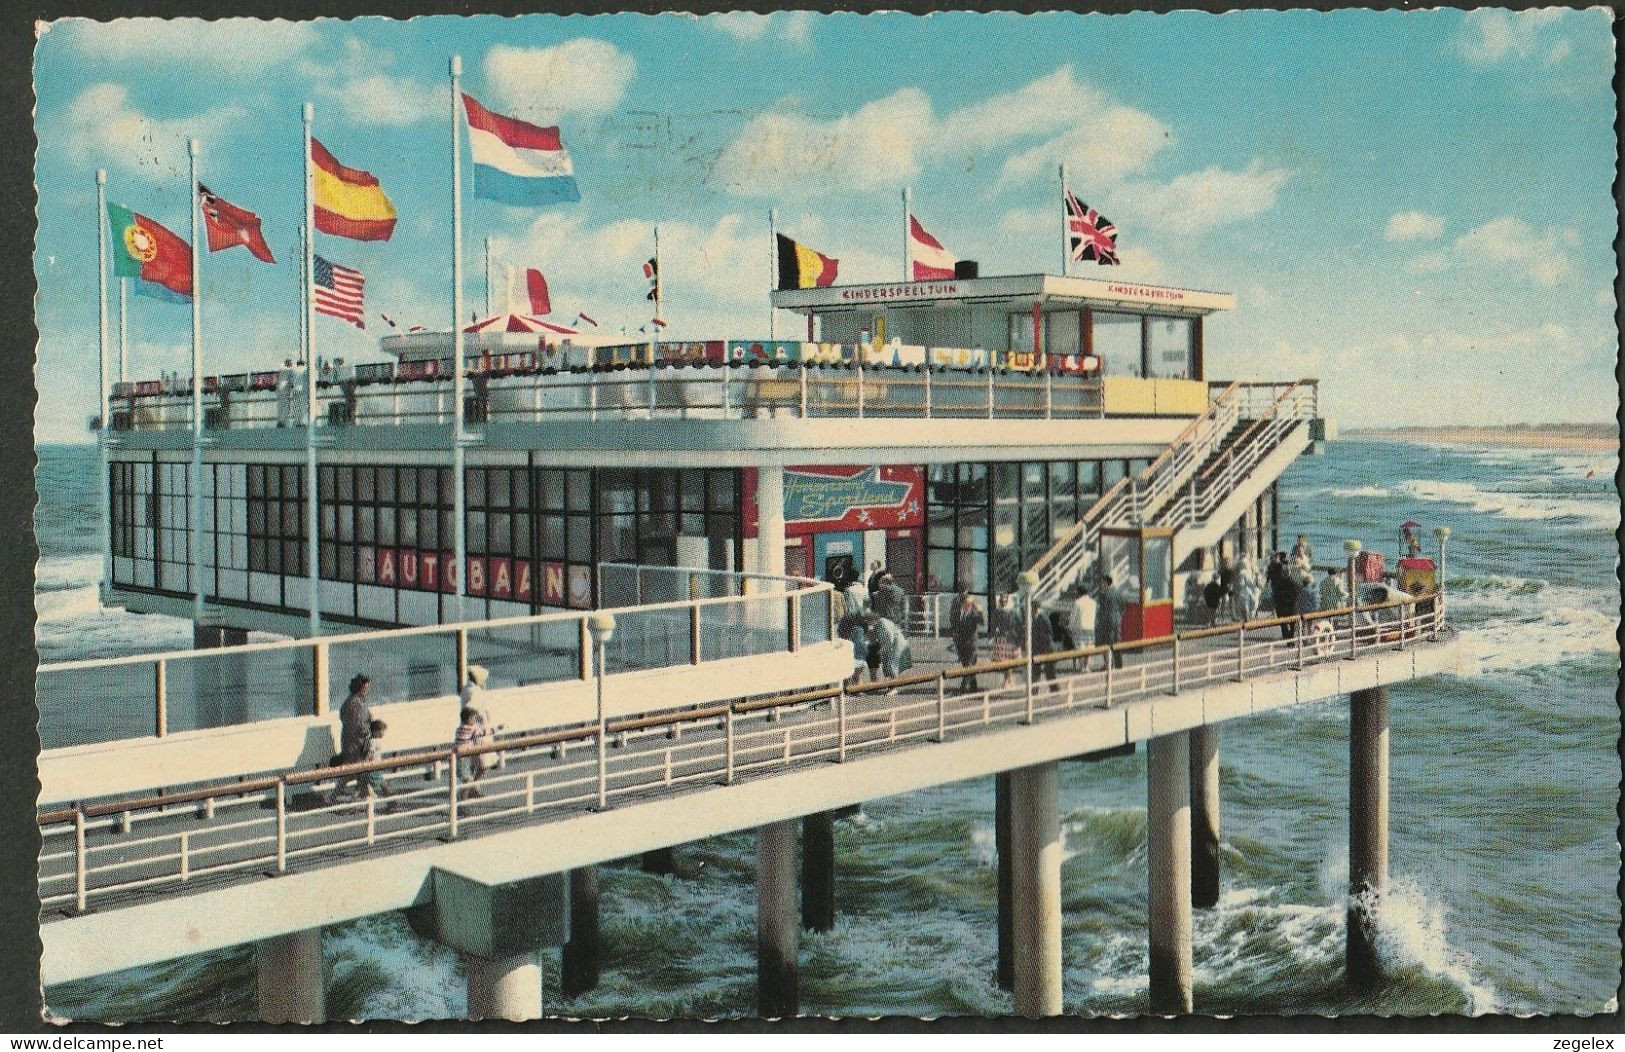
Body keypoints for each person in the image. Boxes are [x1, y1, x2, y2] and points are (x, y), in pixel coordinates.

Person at [330, 674, 372, 803]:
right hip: (357, 744)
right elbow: (362, 726)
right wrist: (369, 733)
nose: (367, 692)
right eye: (365, 689)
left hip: (348, 741)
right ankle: (338, 797)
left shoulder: (347, 702)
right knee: (358, 771)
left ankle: (359, 796)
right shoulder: (358, 705)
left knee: (357, 771)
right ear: (360, 689)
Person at [949, 591, 984, 693]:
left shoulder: (974, 613)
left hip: (971, 644)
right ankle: (974, 687)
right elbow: (954, 624)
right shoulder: (957, 612)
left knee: (968, 666)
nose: (969, 606)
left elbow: (981, 622)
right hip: (960, 643)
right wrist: (954, 634)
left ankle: (962, 689)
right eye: (967, 604)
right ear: (962, 603)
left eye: (971, 604)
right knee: (967, 665)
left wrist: (980, 610)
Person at [867, 614, 912, 687]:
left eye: (868, 620)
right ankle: (886, 684)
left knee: (892, 665)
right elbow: (873, 639)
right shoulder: (875, 625)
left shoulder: (882, 623)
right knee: (888, 665)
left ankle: (893, 688)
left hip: (896, 644)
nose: (868, 622)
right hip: (889, 644)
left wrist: (882, 651)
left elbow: (890, 638)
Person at [454, 706, 487, 799]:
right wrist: (498, 728)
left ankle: (470, 792)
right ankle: (462, 799)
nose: (474, 720)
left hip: (467, 755)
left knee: (478, 770)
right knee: (467, 780)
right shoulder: (469, 729)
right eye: (473, 718)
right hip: (464, 757)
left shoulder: (460, 728)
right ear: (468, 719)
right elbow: (484, 732)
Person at [1093, 575, 1125, 669]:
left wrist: (1098, 620)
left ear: (1106, 583)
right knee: (1117, 641)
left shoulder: (1103, 594)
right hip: (1117, 619)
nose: (1100, 584)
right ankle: (1119, 664)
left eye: (1102, 582)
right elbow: (1123, 606)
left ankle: (1108, 664)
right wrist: (1119, 615)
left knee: (1106, 642)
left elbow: (1100, 609)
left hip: (1106, 620)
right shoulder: (1118, 593)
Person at [990, 594, 1022, 688]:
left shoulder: (1014, 612)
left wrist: (1018, 639)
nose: (1003, 601)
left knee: (1010, 661)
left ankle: (1008, 680)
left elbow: (1020, 625)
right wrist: (992, 637)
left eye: (1005, 599)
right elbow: (993, 625)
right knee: (1005, 661)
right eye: (1002, 599)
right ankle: (1008, 679)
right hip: (1002, 639)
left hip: (1012, 639)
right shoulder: (997, 612)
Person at [361, 719, 393, 803]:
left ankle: (390, 801)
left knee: (379, 785)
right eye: (382, 731)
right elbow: (370, 752)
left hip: (375, 766)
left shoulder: (369, 739)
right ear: (376, 731)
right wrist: (365, 762)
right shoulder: (373, 741)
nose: (383, 734)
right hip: (373, 767)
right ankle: (390, 801)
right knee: (380, 785)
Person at [1268, 553, 1298, 638]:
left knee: (1283, 621)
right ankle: (1291, 635)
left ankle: (1286, 635)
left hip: (1281, 605)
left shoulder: (1278, 583)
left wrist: (1276, 602)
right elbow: (1296, 594)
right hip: (1290, 605)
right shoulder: (1292, 582)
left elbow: (1276, 596)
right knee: (1292, 622)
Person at [1030, 605, 1058, 690]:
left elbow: (1048, 633)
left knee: (1049, 671)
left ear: (1035, 608)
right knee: (1035, 670)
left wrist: (1044, 646)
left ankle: (1054, 688)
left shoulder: (1042, 618)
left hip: (1046, 647)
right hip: (1038, 647)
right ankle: (1034, 691)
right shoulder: (1035, 617)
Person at [1235, 555, 1262, 624]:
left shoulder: (1254, 571)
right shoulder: (1243, 572)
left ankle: (1249, 617)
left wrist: (1257, 581)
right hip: (1246, 590)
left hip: (1253, 590)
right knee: (1246, 604)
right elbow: (1243, 583)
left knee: (1253, 604)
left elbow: (1258, 583)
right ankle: (1247, 619)